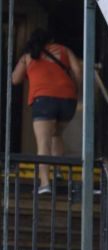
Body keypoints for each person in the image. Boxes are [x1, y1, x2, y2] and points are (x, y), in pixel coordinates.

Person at [11, 29, 82, 194]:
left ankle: (45, 184)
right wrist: (75, 90)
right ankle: (57, 171)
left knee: (43, 142)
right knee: (56, 134)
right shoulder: (64, 50)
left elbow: (15, 79)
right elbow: (78, 71)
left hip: (44, 100)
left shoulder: (28, 56)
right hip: (67, 100)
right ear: (51, 40)